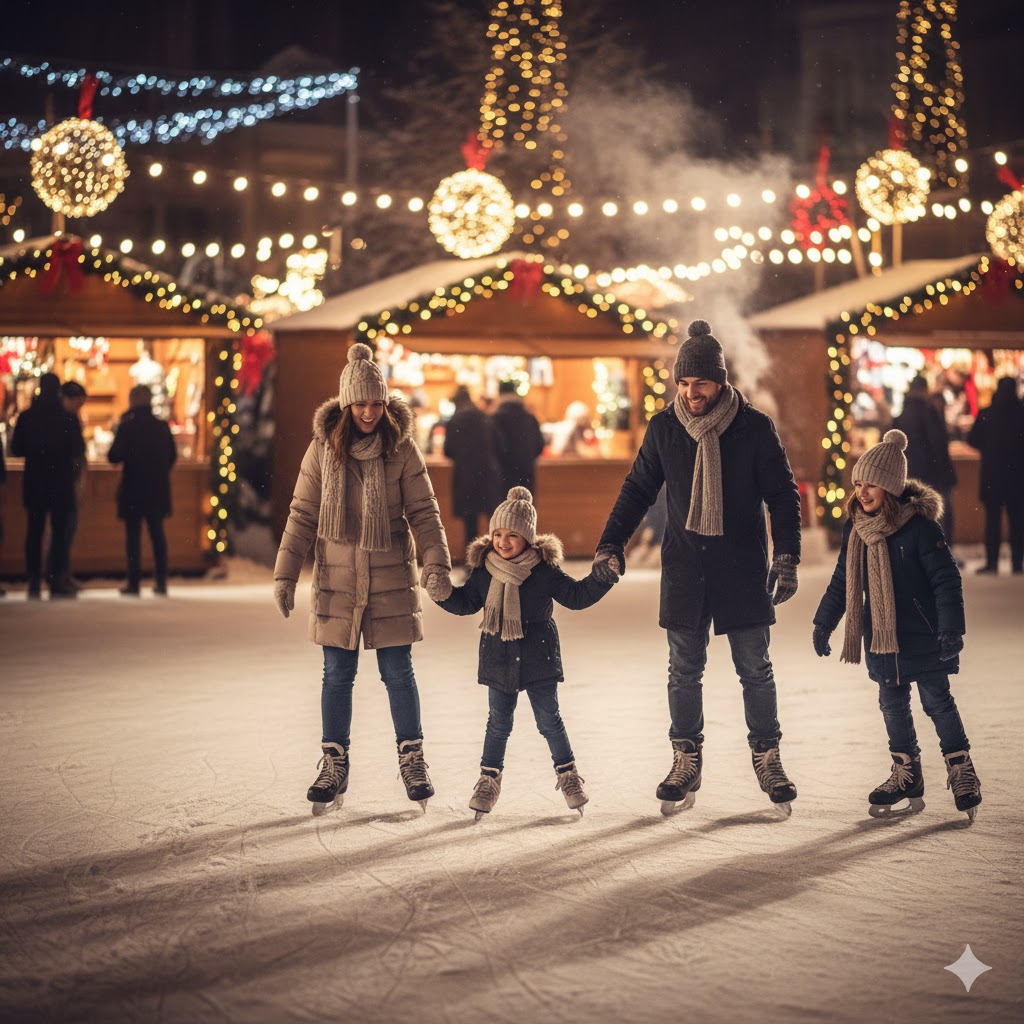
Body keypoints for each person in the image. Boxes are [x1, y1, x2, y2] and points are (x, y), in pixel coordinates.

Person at [594, 319, 802, 815]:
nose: (691, 393)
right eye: (684, 383)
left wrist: (787, 555)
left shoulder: (753, 427)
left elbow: (782, 494)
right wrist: (610, 544)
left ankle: (768, 757)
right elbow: (637, 489)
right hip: (686, 567)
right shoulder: (665, 428)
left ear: (721, 381)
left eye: (701, 383)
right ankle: (686, 758)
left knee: (755, 669)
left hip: (741, 565)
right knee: (683, 671)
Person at [273, 343, 451, 816]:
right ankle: (335, 764)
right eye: (360, 404)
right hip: (337, 579)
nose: (369, 413)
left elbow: (424, 513)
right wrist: (286, 574)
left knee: (398, 673)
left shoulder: (402, 449)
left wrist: (435, 565)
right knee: (337, 674)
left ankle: (412, 759)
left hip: (390, 576)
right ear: (346, 403)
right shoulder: (321, 450)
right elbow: (302, 514)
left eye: (376, 403)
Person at [811, 429, 982, 822]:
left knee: (938, 702)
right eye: (858, 484)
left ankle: (961, 768)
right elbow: (842, 581)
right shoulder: (856, 528)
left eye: (871, 484)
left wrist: (951, 629)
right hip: (881, 637)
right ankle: (907, 772)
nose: (863, 492)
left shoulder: (920, 527)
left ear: (890, 486)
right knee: (892, 704)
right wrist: (824, 623)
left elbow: (946, 580)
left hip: (924, 635)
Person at [425, 486, 619, 819]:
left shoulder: (543, 571)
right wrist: (442, 594)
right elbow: (466, 603)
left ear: (528, 538)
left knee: (549, 720)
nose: (503, 541)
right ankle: (488, 780)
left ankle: (568, 776)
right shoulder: (485, 570)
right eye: (498, 534)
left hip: (538, 656)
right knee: (498, 723)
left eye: (512, 535)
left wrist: (601, 579)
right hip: (498, 657)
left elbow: (576, 597)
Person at [10, 372, 85, 599]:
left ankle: (34, 581)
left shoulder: (27, 417)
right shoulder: (68, 418)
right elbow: (78, 450)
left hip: (35, 482)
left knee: (34, 532)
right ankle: (56, 580)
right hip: (61, 483)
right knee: (60, 533)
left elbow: (16, 449)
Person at [108, 384, 177, 596]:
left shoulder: (127, 427)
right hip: (157, 489)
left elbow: (113, 456)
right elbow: (172, 456)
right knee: (157, 535)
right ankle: (161, 582)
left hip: (133, 488)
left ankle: (133, 583)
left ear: (132, 401)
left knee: (133, 538)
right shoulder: (162, 426)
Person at [966, 376, 1024, 575]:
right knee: (1017, 521)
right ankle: (1017, 563)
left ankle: (992, 563)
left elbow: (972, 439)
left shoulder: (987, 413)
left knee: (992, 520)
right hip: (1017, 476)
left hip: (993, 475)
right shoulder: (1021, 413)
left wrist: (988, 448)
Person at [893, 374, 957, 548]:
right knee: (937, 516)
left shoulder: (900, 416)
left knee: (910, 517)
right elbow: (940, 445)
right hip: (932, 474)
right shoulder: (930, 413)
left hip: (907, 474)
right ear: (925, 390)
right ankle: (940, 552)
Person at [443, 385, 501, 553]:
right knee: (493, 521)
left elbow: (448, 450)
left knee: (470, 524)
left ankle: (472, 559)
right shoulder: (484, 416)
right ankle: (495, 558)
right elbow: (499, 445)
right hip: (488, 474)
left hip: (465, 476)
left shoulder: (455, 420)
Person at [55, 380, 88, 591]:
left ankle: (60, 575)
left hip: (62, 484)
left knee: (63, 532)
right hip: (66, 485)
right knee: (64, 531)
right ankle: (59, 576)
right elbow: (77, 451)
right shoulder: (68, 420)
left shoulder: (63, 418)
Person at [490, 379, 545, 495]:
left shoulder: (495, 419)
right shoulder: (529, 418)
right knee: (526, 504)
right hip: (526, 474)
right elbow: (539, 445)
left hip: (502, 475)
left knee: (505, 505)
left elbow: (492, 448)